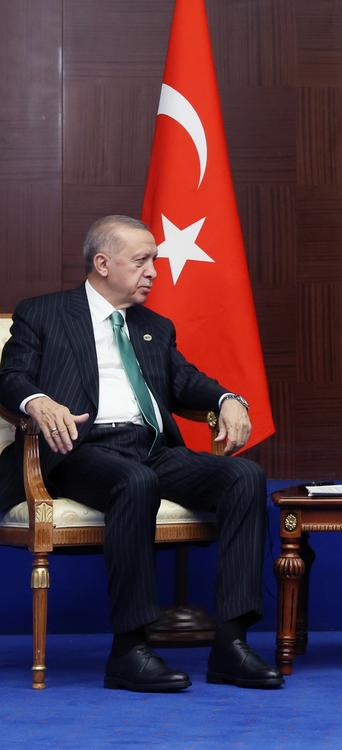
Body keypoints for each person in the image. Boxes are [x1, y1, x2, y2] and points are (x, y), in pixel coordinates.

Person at [0, 215, 283, 692]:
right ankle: (129, 649)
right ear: (103, 263)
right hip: (79, 448)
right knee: (135, 482)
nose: (154, 271)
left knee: (243, 477)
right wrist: (38, 400)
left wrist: (228, 399)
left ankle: (231, 644)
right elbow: (9, 376)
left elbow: (185, 380)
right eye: (142, 261)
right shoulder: (43, 313)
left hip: (148, 446)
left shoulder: (155, 326)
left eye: (154, 260)